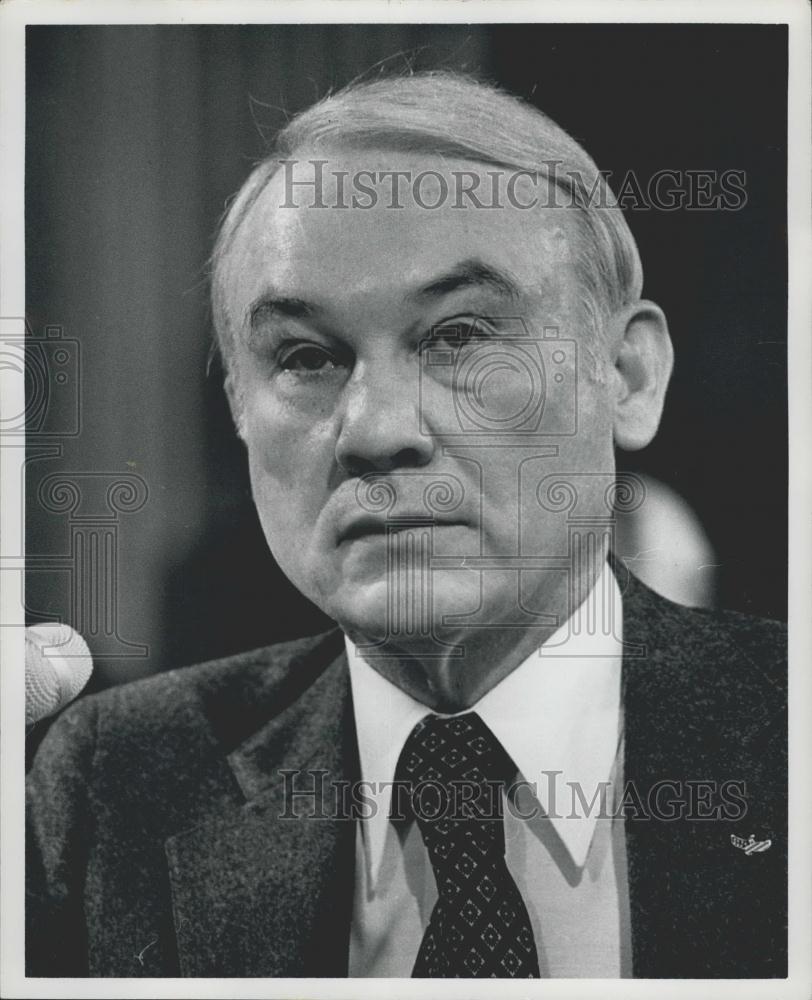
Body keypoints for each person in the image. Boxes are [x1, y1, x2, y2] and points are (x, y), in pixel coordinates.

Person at [26, 71, 786, 979]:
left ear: (626, 377)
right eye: (306, 357)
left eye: (459, 337)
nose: (377, 431)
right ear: (237, 409)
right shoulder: (113, 782)